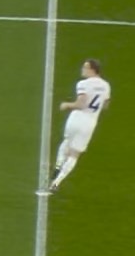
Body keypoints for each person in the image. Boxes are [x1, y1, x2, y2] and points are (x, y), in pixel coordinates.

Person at [47, 58, 111, 190]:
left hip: (76, 118)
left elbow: (81, 104)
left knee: (66, 142)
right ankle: (56, 183)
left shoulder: (83, 84)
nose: (82, 70)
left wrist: (66, 105)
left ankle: (58, 165)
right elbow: (105, 105)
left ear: (92, 69)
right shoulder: (106, 86)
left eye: (85, 67)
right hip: (90, 122)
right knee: (75, 153)